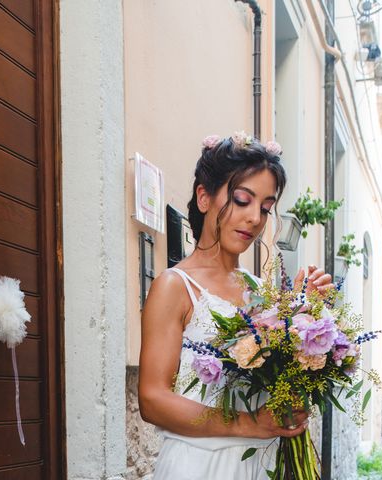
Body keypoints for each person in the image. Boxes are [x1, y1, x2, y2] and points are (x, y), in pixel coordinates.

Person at [138, 133, 335, 479]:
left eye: (265, 207)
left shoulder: (262, 292)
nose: (255, 218)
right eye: (242, 200)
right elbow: (152, 399)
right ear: (204, 197)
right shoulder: (174, 286)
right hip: (199, 466)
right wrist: (249, 424)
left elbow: (279, 384)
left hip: (260, 465)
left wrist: (307, 312)